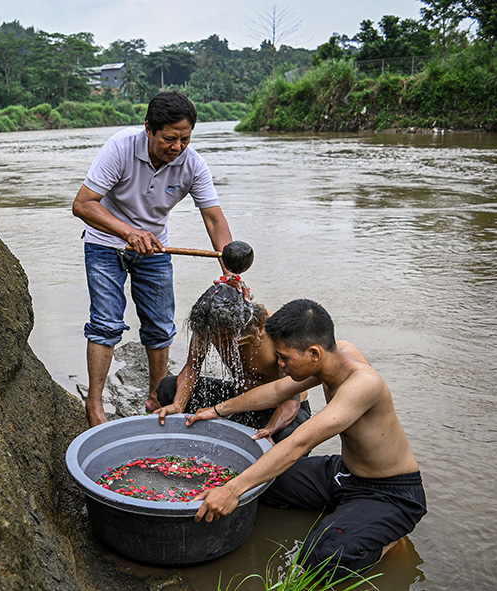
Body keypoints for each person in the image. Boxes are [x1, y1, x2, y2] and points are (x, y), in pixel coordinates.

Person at [185, 299, 426, 579]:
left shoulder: (363, 385)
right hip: (344, 474)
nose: (280, 363)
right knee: (262, 487)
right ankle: (351, 514)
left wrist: (231, 491)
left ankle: (389, 539)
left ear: (314, 353)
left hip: (389, 493)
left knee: (319, 557)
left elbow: (299, 443)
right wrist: (214, 411)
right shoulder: (336, 354)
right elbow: (276, 391)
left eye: (285, 357)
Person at [72, 91, 236, 427]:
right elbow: (84, 204)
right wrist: (128, 232)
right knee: (105, 323)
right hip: (106, 243)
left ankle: (155, 396)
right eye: (169, 138)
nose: (177, 147)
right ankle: (94, 403)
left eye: (185, 139)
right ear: (149, 129)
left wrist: (230, 271)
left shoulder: (192, 164)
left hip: (155, 248)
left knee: (161, 326)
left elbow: (214, 220)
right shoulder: (120, 148)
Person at [154, 282, 310, 443]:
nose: (219, 339)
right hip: (239, 402)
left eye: (226, 335)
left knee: (289, 439)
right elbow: (192, 367)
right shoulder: (207, 326)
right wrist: (178, 405)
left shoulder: (277, 332)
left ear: (244, 324)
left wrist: (268, 430)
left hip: (280, 407)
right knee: (168, 387)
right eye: (215, 335)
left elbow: (291, 399)